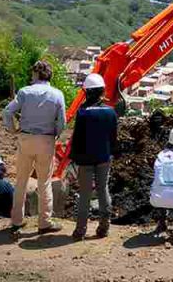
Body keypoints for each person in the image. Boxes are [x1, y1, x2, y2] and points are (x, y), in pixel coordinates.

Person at [3, 60, 66, 234]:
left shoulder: (24, 92)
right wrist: (55, 134)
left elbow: (7, 111)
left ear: (36, 74)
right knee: (44, 182)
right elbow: (62, 122)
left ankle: (16, 220)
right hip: (46, 140)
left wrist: (12, 129)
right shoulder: (57, 94)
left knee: (21, 181)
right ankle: (44, 222)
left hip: (26, 138)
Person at [69, 73, 118, 241]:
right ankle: (104, 227)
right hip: (104, 157)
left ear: (87, 92)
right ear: (102, 91)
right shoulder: (110, 112)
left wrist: (73, 157)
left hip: (86, 160)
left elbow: (77, 138)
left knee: (85, 194)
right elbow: (113, 137)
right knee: (103, 189)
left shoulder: (83, 113)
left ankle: (80, 230)